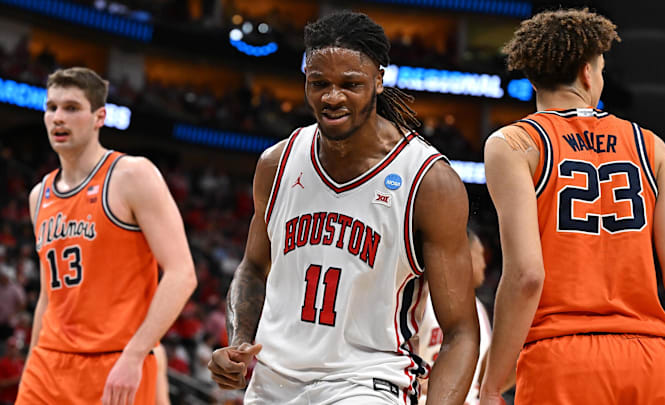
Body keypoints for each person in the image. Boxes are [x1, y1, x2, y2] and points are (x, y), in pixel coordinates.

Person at [208, 11, 479, 405]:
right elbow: (252, 267)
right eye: (319, 83)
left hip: (367, 383)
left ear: (379, 81)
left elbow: (461, 331)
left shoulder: (428, 181)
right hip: (272, 383)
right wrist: (239, 343)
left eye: (349, 84)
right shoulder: (276, 164)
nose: (332, 97)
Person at [479, 8, 665, 405]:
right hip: (649, 362)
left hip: (562, 359)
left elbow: (526, 276)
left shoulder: (513, 145)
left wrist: (490, 386)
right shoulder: (652, 147)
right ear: (588, 73)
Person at [16, 67, 197, 405]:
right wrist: (31, 363)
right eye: (51, 107)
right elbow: (47, 295)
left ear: (99, 116)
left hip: (116, 361)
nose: (58, 117)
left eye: (71, 108)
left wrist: (135, 355)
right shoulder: (39, 195)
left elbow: (182, 274)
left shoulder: (132, 175)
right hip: (48, 364)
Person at [416, 229, 492, 405]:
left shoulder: (478, 308)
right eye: (480, 254)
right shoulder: (422, 300)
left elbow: (479, 378)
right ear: (464, 253)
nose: (484, 265)